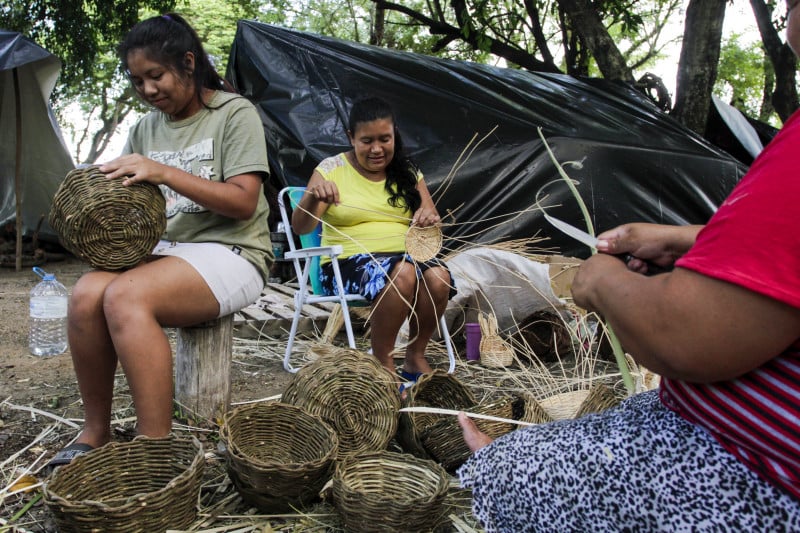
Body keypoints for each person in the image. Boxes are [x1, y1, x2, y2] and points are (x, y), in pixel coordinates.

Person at [456, 1, 800, 528]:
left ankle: (502, 472)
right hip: (727, 439)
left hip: (752, 479)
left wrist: (600, 284)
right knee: (544, 442)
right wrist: (692, 240)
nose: (787, 8)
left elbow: (684, 337)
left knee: (503, 469)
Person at [47, 13, 272, 468]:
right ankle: (96, 431)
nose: (148, 90)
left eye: (156, 76)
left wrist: (165, 171)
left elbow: (245, 202)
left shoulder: (234, 114)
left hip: (234, 252)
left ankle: (156, 449)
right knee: (87, 293)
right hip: (167, 251)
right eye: (137, 81)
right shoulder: (145, 129)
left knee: (125, 299)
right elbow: (137, 207)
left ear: (188, 63)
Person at [291, 96, 455, 386]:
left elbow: (431, 213)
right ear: (351, 137)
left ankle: (415, 355)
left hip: (405, 259)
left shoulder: (407, 172)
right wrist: (312, 196)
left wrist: (428, 216)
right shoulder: (331, 169)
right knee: (402, 273)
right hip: (343, 267)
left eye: (385, 139)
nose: (377, 149)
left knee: (440, 276)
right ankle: (382, 363)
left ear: (395, 136)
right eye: (367, 141)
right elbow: (301, 225)